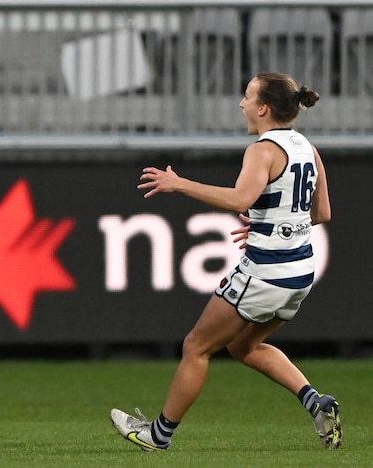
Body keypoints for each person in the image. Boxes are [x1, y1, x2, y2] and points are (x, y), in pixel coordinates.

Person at [111, 72, 340, 451]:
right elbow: (323, 212)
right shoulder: (307, 148)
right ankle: (316, 402)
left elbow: (239, 199)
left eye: (247, 97)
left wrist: (178, 183)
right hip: (300, 273)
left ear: (263, 108)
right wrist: (271, 224)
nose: (241, 104)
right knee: (242, 347)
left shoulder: (262, 150)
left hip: (265, 272)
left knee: (196, 346)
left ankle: (158, 435)